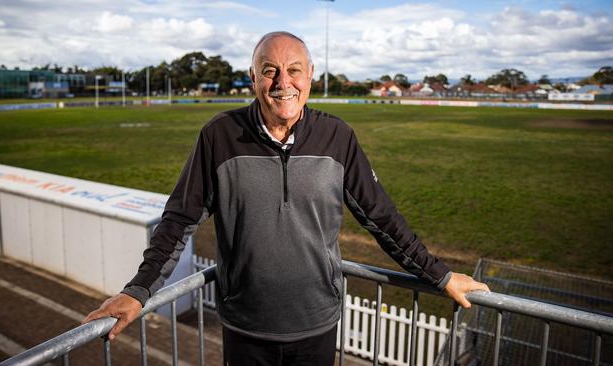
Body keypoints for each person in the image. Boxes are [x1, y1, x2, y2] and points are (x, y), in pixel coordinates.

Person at [83, 31, 489, 365]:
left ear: (310, 75)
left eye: (294, 70)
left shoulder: (338, 137)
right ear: (253, 77)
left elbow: (381, 217)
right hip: (245, 328)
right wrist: (137, 291)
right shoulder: (218, 135)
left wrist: (440, 275)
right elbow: (178, 220)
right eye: (270, 71)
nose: (283, 82)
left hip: (316, 324)